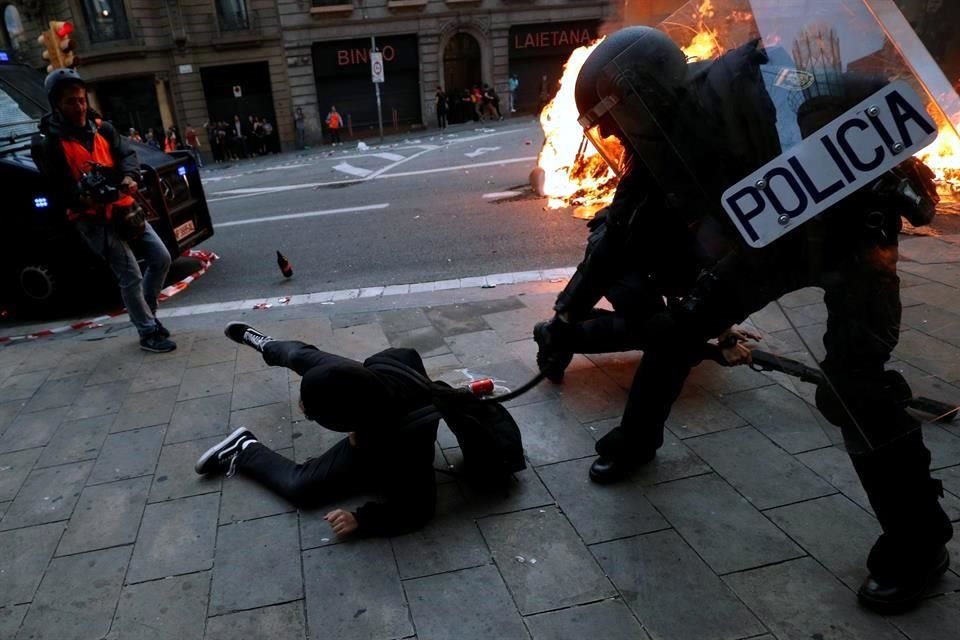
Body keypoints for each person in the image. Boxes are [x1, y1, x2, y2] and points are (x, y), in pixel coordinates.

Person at [535, 25, 952, 612]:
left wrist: (892, 162)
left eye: (617, 119)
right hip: (769, 247)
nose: (619, 136)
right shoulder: (662, 142)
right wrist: (566, 311)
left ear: (638, 94)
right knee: (677, 332)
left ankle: (920, 541)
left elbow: (866, 94)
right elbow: (619, 233)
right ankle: (636, 439)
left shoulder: (755, 81)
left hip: (849, 239)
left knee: (855, 388)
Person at [196, 322, 439, 537]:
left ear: (347, 425)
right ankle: (266, 345)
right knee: (298, 356)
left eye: (310, 413)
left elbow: (419, 510)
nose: (301, 407)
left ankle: (244, 449)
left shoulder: (403, 448)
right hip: (363, 383)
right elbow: (406, 355)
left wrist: (362, 520)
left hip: (385, 432)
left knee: (299, 487)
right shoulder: (360, 374)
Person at [37, 69, 175, 353]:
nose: (79, 107)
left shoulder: (103, 127)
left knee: (161, 258)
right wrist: (84, 197)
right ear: (56, 105)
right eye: (70, 102)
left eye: (81, 100)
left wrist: (128, 177)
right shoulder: (48, 143)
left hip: (124, 207)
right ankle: (148, 332)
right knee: (130, 275)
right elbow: (59, 189)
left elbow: (126, 154)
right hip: (93, 219)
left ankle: (146, 313)